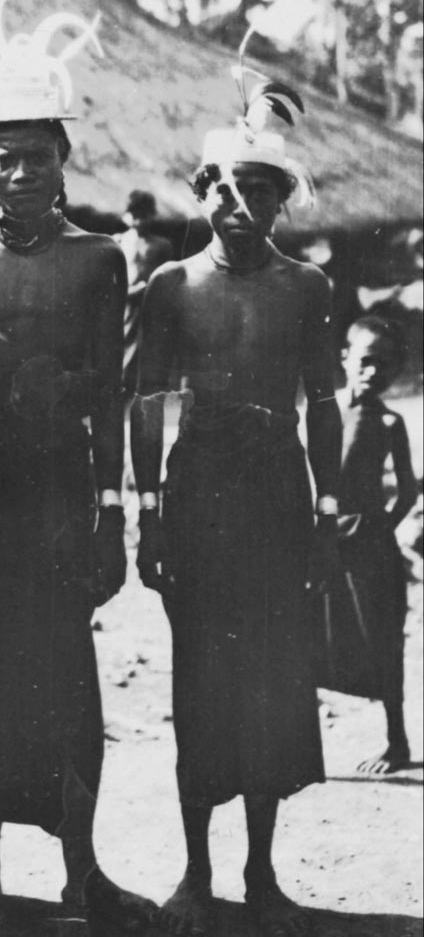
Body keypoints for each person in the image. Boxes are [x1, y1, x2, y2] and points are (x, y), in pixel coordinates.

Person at [0, 0, 157, 937]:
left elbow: (111, 392)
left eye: (38, 157)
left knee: (66, 682)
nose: (21, 174)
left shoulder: (100, 260)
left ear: (64, 160)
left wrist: (113, 518)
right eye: (4, 160)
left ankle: (82, 873)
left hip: (58, 500)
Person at [131, 76, 342, 937]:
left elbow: (323, 402)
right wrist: (146, 509)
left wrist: (328, 509)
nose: (243, 202)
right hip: (199, 496)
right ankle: (196, 872)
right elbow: (145, 402)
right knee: (202, 682)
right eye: (227, 186)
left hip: (278, 497)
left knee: (270, 680)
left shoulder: (307, 290)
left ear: (283, 200)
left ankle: (261, 872)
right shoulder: (172, 287)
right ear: (201, 192)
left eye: (262, 188)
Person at [318, 314, 416, 774]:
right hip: (321, 544)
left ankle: (396, 742)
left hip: (370, 549)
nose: (373, 371)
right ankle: (300, 746)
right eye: (366, 360)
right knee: (309, 634)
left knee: (382, 639)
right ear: (345, 359)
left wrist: (381, 526)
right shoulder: (321, 410)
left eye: (385, 365)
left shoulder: (390, 421)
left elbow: (409, 490)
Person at [114, 189, 173, 399]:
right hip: (125, 305)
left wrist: (148, 289)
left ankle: (145, 396)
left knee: (150, 355)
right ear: (126, 215)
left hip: (151, 306)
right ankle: (120, 395)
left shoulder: (161, 245)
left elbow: (167, 278)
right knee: (121, 352)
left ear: (151, 215)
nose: (139, 221)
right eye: (135, 215)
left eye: (143, 215)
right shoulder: (118, 242)